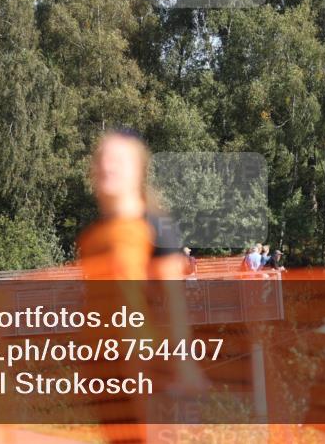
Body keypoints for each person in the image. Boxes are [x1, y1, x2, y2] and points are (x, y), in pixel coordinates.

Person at [78, 128, 207, 443]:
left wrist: (182, 360)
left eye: (117, 159)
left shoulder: (155, 227)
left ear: (137, 170)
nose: (107, 165)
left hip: (143, 363)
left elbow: (173, 300)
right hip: (102, 366)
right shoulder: (91, 234)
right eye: (101, 158)